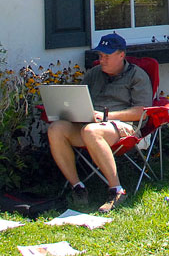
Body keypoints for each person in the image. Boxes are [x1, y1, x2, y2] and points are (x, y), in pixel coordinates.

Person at [47, 32, 152, 211]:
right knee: (56, 129)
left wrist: (106, 116)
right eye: (100, 55)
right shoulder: (94, 73)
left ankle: (117, 190)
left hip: (122, 127)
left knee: (92, 131)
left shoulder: (137, 76)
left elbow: (141, 111)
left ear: (121, 55)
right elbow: (80, 98)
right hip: (89, 123)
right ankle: (78, 187)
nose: (101, 60)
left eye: (106, 56)